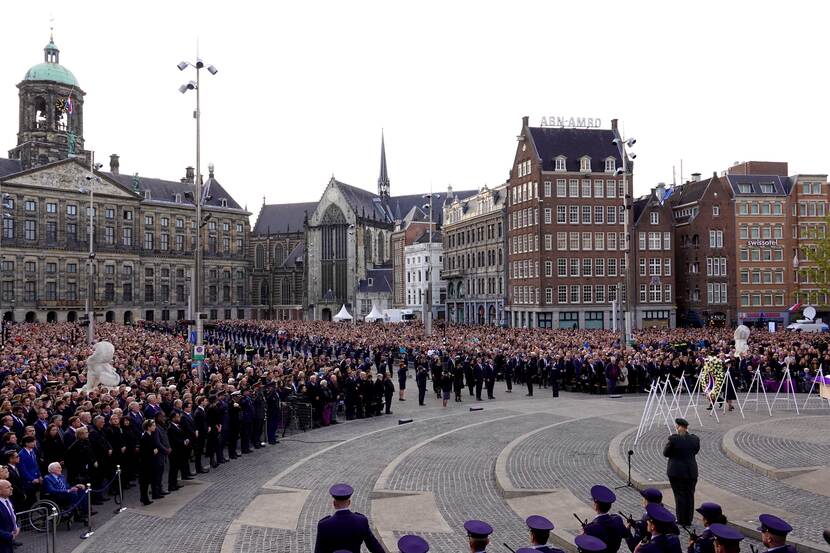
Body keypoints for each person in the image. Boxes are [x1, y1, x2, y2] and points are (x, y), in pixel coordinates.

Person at [314, 483, 384, 553]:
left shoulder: (324, 525)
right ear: (349, 503)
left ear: (334, 504)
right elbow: (374, 546)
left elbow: (319, 551)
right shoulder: (361, 521)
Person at [663, 418, 700, 527]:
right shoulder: (695, 439)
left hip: (676, 471)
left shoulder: (674, 439)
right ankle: (688, 520)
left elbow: (666, 453)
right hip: (691, 471)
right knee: (689, 495)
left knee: (679, 495)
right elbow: (695, 451)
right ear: (686, 428)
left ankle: (681, 519)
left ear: (678, 427)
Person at [584, 485, 627, 553]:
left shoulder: (590, 528)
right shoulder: (617, 520)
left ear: (596, 505)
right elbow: (626, 534)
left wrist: (583, 534)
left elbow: (584, 548)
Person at [138, 419, 159, 506]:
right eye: (153, 426)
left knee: (147, 481)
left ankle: (145, 497)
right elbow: (143, 452)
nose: (155, 427)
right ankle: (144, 497)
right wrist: (153, 451)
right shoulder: (145, 437)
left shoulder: (150, 435)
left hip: (150, 461)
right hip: (145, 463)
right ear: (148, 427)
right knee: (144, 481)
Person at [0, 479, 20, 552]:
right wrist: (10, 536)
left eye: (11, 486)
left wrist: (17, 526)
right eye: (8, 487)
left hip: (9, 542)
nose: (12, 488)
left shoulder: (8, 499)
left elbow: (13, 516)